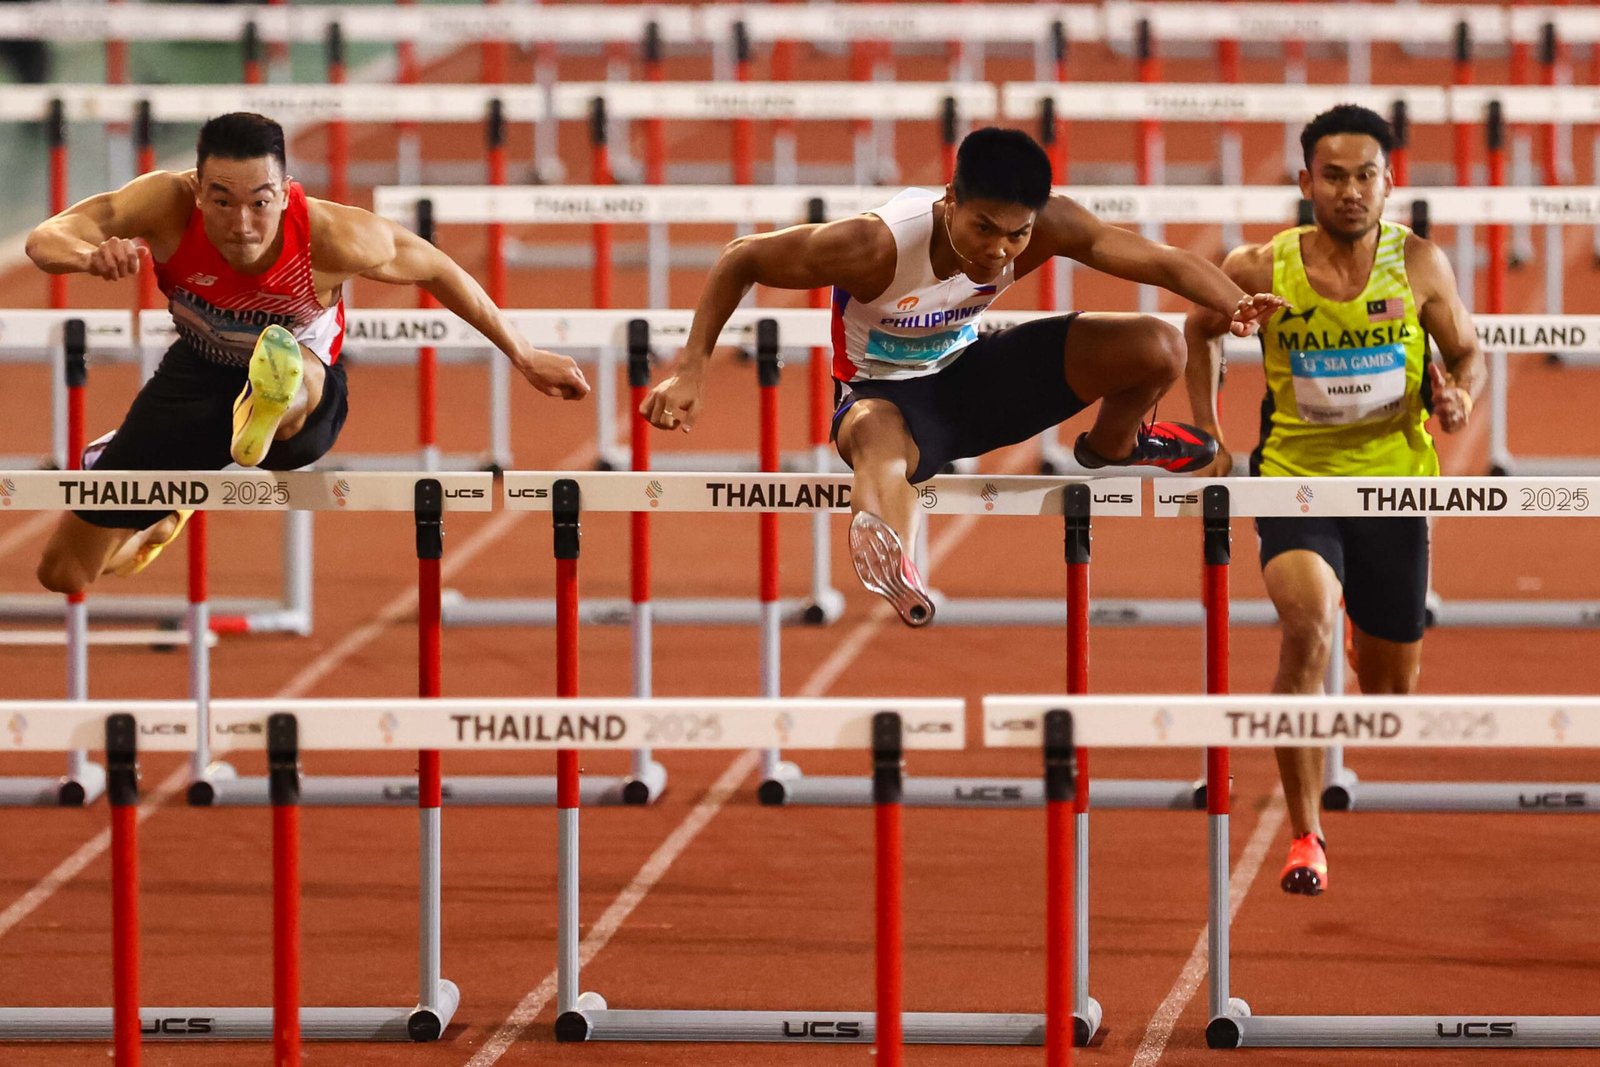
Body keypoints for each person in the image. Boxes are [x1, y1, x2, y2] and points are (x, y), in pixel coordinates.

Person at [639, 126, 1282, 626]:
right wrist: (691, 369)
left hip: (974, 376)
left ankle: (1116, 444)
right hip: (885, 397)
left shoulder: (1046, 225)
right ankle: (894, 556)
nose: (1000, 249)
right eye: (984, 228)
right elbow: (739, 258)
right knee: (875, 446)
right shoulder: (875, 245)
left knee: (1159, 345)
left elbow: (1158, 259)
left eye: (1017, 234)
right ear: (951, 199)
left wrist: (1233, 301)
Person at [26, 111, 589, 594]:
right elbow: (46, 239)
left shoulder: (332, 235)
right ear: (198, 188)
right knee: (66, 573)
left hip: (306, 390)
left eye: (260, 202)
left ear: (286, 188)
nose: (242, 224)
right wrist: (87, 256)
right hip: (195, 374)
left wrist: (523, 353)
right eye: (221, 201)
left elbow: (438, 268)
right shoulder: (165, 204)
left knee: (289, 374)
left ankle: (269, 409)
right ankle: (167, 511)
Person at [1183, 104, 1483, 897]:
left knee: (1390, 693)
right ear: (1306, 180)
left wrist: (1460, 402)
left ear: (1391, 182)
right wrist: (1209, 433)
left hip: (1392, 483)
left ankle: (1362, 626)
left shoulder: (1419, 264)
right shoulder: (1262, 266)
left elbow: (1467, 352)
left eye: (1366, 176)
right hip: (1295, 478)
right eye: (1335, 175)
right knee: (1305, 622)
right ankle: (1305, 831)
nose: (1351, 191)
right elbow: (1198, 330)